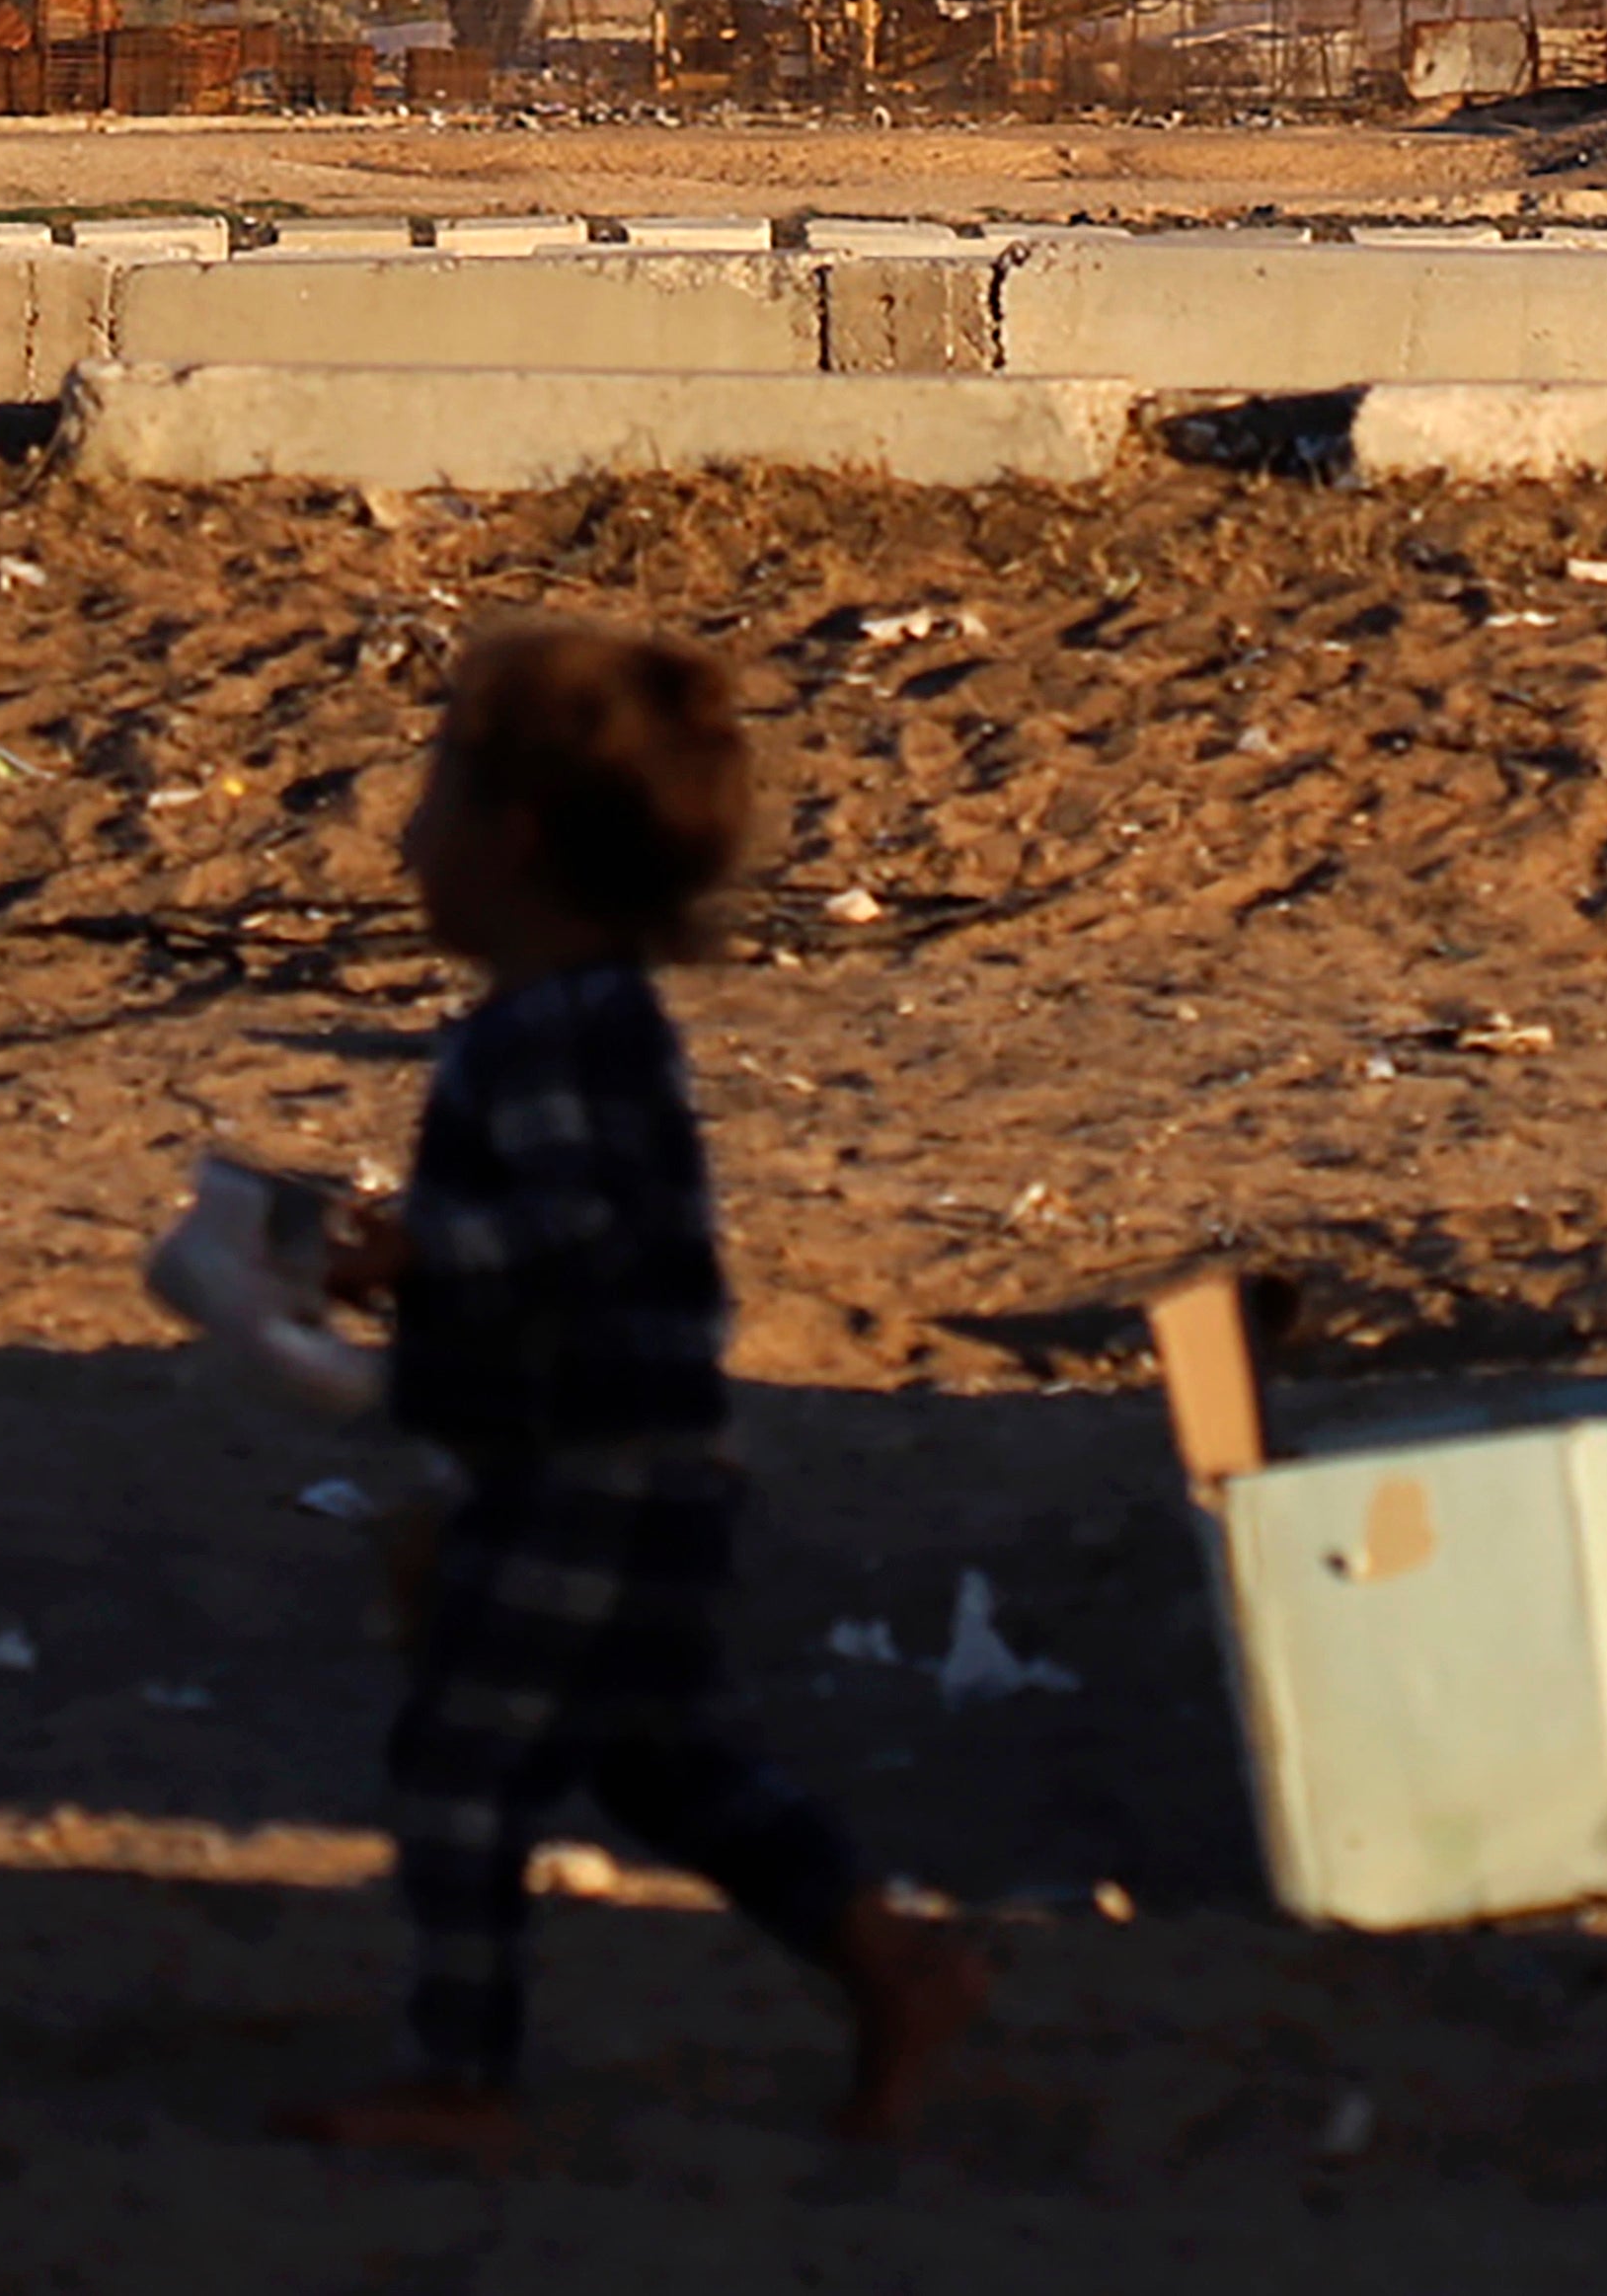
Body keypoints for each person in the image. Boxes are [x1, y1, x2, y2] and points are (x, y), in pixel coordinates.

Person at [282, 621, 984, 2154]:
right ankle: (894, 1968)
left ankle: (462, 2075)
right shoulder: (581, 1025)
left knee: (461, 1765)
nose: (406, 841)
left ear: (513, 841)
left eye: (431, 807)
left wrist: (411, 1259)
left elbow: (572, 1229)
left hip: (583, 1469)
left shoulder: (546, 1035)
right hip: (645, 1463)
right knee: (662, 1761)